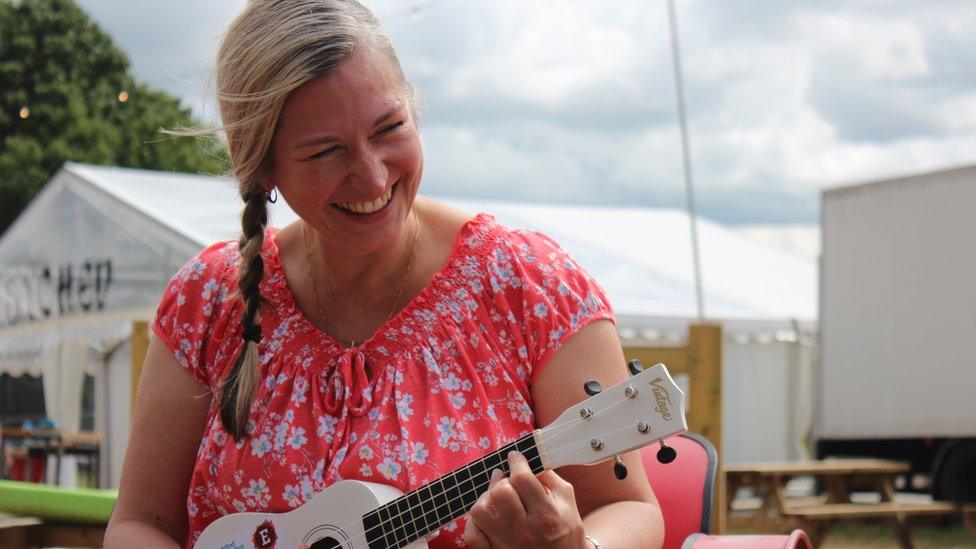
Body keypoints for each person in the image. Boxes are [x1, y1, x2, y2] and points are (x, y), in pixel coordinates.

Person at [105, 1, 665, 547]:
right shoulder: (209, 299)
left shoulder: (531, 286)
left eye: (388, 128)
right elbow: (140, 521)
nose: (372, 179)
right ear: (262, 165)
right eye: (326, 151)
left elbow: (628, 506)